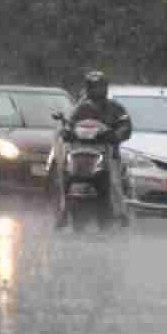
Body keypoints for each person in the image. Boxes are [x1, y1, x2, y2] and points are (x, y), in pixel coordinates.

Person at [55, 70, 132, 229]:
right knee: (64, 173)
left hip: (106, 150)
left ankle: (120, 212)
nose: (96, 90)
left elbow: (126, 125)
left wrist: (117, 135)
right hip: (80, 150)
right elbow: (69, 123)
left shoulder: (115, 107)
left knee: (114, 181)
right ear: (87, 87)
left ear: (105, 88)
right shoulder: (80, 108)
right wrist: (66, 131)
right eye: (92, 87)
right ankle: (62, 210)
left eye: (99, 87)